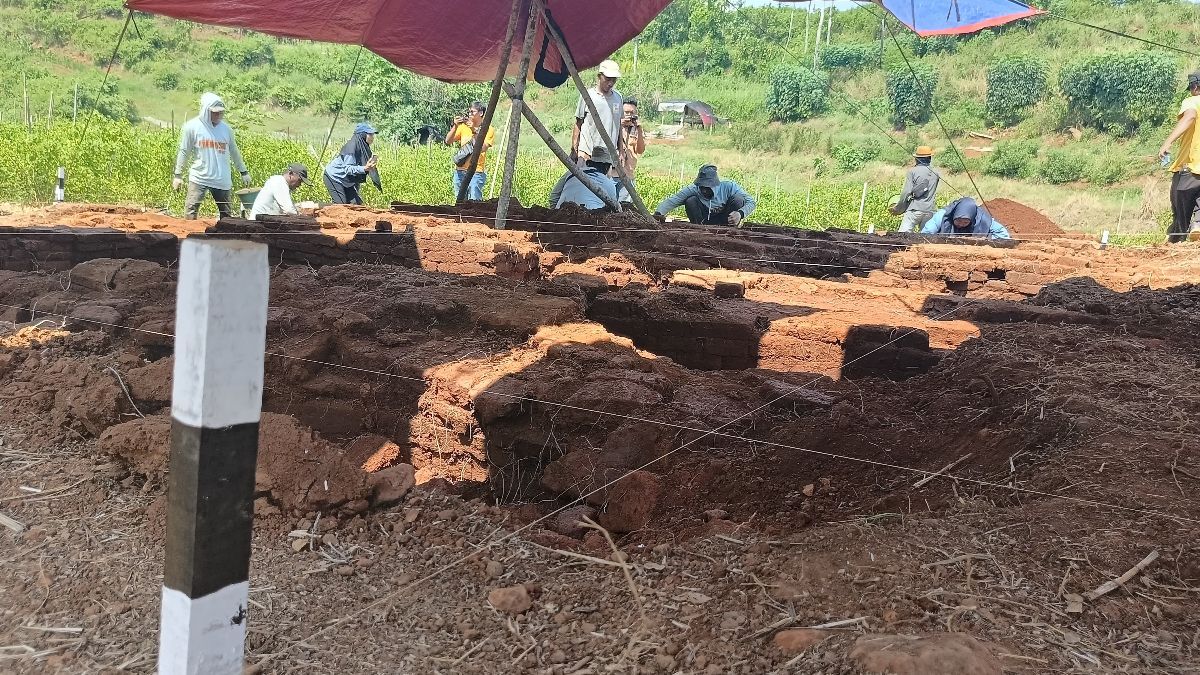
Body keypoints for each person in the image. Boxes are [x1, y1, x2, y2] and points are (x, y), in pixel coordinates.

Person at [172, 92, 250, 219]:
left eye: (220, 112)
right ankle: (188, 236)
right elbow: (184, 151)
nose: (218, 115)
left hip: (221, 179)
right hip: (199, 177)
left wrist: (244, 172)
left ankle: (224, 238)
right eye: (214, 112)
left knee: (226, 215)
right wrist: (178, 175)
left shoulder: (226, 130)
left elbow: (234, 151)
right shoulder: (192, 127)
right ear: (205, 111)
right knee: (191, 211)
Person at [1158, 70, 1200, 243]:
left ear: (1195, 86)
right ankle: (1196, 225)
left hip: (1191, 168)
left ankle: (1181, 236)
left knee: (1180, 212)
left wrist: (1167, 142)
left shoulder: (1193, 101)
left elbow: (1190, 116)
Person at [654, 164, 756, 227]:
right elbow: (673, 200)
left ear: (715, 184)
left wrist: (740, 214)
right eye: (701, 186)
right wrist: (657, 214)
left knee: (738, 199)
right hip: (703, 221)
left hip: (725, 219)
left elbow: (751, 202)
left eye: (707, 188)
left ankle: (729, 229)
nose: (704, 190)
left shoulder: (729, 186)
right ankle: (699, 229)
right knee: (691, 200)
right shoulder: (694, 189)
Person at [571, 60, 623, 166]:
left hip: (608, 156)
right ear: (599, 76)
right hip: (587, 153)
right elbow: (578, 123)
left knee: (603, 182)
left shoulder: (618, 98)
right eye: (608, 79)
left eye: (614, 80)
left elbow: (619, 125)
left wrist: (621, 151)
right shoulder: (588, 96)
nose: (611, 83)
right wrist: (574, 148)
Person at [445, 101, 495, 201]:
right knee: (460, 202)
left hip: (476, 172)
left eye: (472, 112)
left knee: (474, 202)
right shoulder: (463, 127)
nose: (469, 114)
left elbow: (482, 148)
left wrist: (474, 130)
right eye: (469, 112)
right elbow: (448, 141)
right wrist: (455, 126)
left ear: (480, 113)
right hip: (460, 171)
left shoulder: (488, 129)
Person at [324, 122, 380, 205]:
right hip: (334, 177)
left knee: (356, 205)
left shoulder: (363, 146)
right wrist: (365, 168)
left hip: (347, 180)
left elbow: (356, 175)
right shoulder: (351, 147)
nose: (372, 137)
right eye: (370, 134)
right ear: (363, 135)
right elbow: (348, 169)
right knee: (340, 205)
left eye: (373, 134)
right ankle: (322, 210)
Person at [547, 146, 618, 210]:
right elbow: (614, 209)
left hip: (561, 215)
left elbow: (553, 198)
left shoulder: (571, 172)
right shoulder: (608, 183)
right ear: (607, 167)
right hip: (589, 218)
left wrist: (555, 215)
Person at [892, 145, 940, 233]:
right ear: (930, 158)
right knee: (926, 238)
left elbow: (906, 193)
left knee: (902, 235)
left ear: (917, 159)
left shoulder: (913, 171)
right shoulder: (936, 173)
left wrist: (898, 208)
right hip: (930, 210)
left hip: (914, 209)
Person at [921, 197, 1010, 239]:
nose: (961, 225)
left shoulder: (983, 219)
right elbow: (925, 234)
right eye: (958, 221)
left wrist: (985, 241)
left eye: (965, 223)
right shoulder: (943, 216)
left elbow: (1003, 235)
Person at [615, 97, 647, 203]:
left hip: (628, 176)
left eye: (632, 113)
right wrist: (619, 124)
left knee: (625, 208)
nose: (629, 116)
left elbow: (641, 150)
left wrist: (639, 129)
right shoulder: (613, 126)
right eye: (626, 112)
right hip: (612, 174)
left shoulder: (636, 129)